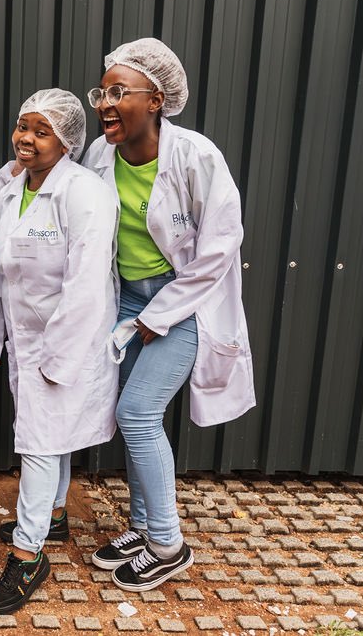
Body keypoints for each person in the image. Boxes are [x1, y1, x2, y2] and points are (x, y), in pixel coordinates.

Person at [82, 37, 255, 591]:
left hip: (181, 304)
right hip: (127, 300)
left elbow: (222, 244)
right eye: (101, 92)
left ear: (155, 99)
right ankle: (139, 526)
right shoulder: (98, 155)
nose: (105, 103)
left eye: (119, 91)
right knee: (135, 420)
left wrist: (162, 313)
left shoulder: (196, 156)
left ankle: (168, 542)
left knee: (136, 414)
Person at [0, 89, 119, 614]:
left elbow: (87, 287)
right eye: (22, 126)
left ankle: (28, 554)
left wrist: (55, 360)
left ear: (66, 142)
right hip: (27, 340)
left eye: (42, 131)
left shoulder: (84, 193)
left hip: (69, 342)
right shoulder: (15, 187)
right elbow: (2, 270)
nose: (26, 139)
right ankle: (55, 516)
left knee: (40, 443)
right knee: (51, 439)